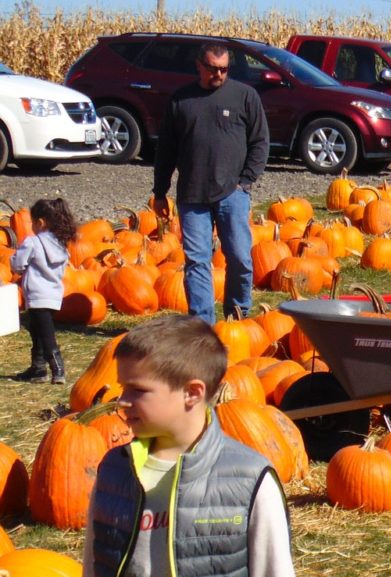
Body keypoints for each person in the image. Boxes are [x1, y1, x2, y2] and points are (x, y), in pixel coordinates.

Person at [82, 314, 294, 577]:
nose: (122, 401)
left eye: (137, 390)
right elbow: (93, 563)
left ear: (192, 393)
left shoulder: (248, 480)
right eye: (123, 388)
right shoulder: (115, 469)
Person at [153, 42, 268, 327]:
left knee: (240, 257)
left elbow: (260, 141)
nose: (219, 74)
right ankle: (203, 324)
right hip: (192, 194)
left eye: (224, 69)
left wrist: (246, 181)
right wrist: (159, 190)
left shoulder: (244, 96)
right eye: (213, 69)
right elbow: (166, 149)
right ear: (199, 66)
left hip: (233, 193)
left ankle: (237, 314)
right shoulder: (181, 100)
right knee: (197, 261)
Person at [9, 198, 75, 384]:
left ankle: (57, 369)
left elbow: (18, 264)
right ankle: (38, 369)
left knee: (45, 335)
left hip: (37, 296)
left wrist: (13, 262)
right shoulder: (61, 244)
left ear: (40, 223)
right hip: (54, 296)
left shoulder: (33, 242)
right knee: (37, 331)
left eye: (32, 223)